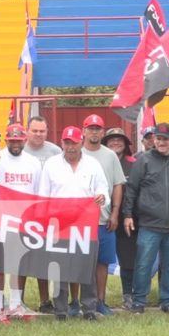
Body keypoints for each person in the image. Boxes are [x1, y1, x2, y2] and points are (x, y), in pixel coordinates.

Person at [123, 122, 169, 314]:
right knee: (143, 264)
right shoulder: (144, 160)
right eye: (158, 139)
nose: (161, 142)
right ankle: (139, 301)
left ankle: (167, 301)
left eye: (165, 139)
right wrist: (128, 214)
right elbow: (131, 189)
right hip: (149, 224)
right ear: (153, 140)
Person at [38, 125, 109, 322]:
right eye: (66, 143)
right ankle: (60, 309)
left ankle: (89, 308)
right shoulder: (52, 164)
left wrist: (102, 197)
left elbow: (102, 188)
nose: (70, 147)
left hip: (85, 224)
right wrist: (44, 222)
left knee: (85, 266)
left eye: (74, 143)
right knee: (58, 267)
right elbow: (44, 195)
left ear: (81, 142)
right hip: (58, 224)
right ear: (62, 143)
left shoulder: (93, 164)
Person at [0, 123, 41, 323]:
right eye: (12, 141)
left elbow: (38, 192)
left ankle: (15, 304)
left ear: (24, 140)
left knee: (18, 264)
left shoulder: (33, 162)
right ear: (6, 141)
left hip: (24, 220)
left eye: (19, 140)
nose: (15, 144)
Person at [81, 114, 125, 316]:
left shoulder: (110, 155)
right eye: (90, 128)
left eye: (97, 128)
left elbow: (117, 184)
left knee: (103, 262)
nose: (94, 132)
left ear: (102, 131)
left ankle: (100, 300)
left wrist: (115, 212)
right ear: (84, 130)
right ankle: (80, 301)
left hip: (104, 218)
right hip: (79, 220)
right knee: (81, 262)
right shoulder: (75, 152)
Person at [23, 115, 61, 313]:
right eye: (34, 130)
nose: (38, 134)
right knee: (20, 258)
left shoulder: (55, 151)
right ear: (27, 131)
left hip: (50, 213)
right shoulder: (18, 149)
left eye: (42, 131)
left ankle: (46, 301)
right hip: (23, 213)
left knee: (46, 258)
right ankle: (16, 300)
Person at [101, 127, 136, 309]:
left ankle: (128, 294)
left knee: (127, 258)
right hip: (102, 217)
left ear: (126, 143)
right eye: (111, 139)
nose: (116, 142)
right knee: (99, 259)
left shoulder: (134, 163)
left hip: (127, 218)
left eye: (119, 139)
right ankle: (98, 297)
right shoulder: (97, 161)